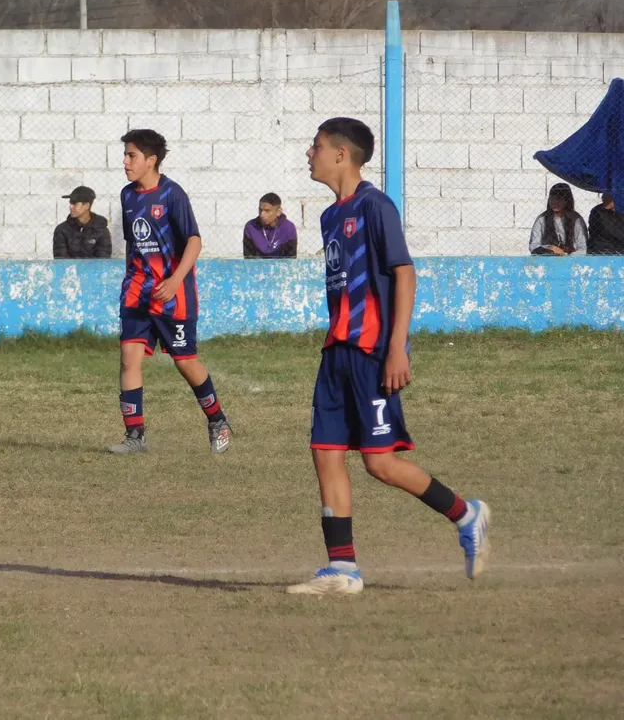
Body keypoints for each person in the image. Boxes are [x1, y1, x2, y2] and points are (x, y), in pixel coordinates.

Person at [285, 117, 490, 596]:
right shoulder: (330, 216)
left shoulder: (376, 206)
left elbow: (404, 273)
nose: (308, 154)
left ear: (341, 154)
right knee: (325, 452)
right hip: (335, 352)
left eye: (314, 146)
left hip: (372, 353)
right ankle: (343, 569)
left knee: (380, 463)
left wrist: (397, 347)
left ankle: (466, 514)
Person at [107, 129, 233, 455]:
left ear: (151, 160)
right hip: (137, 291)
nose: (125, 162)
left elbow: (194, 240)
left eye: (131, 155)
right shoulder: (127, 195)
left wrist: (176, 280)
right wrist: (129, 280)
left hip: (172, 294)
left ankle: (217, 419)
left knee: (185, 361)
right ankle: (135, 437)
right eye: (125, 155)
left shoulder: (172, 194)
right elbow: (133, 244)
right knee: (129, 357)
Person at [52, 186, 112, 259]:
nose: (71, 207)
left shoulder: (100, 229)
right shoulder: (62, 230)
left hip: (94, 269)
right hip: (70, 270)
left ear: (87, 206)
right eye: (70, 203)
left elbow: (103, 258)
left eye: (75, 204)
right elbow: (61, 259)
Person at [528, 183, 588, 256]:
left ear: (567, 200)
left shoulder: (576, 220)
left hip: (572, 260)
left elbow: (583, 248)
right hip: (548, 258)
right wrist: (550, 248)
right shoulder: (542, 219)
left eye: (559, 199)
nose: (554, 202)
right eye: (552, 198)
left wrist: (565, 255)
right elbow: (533, 245)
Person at [243, 193, 298, 258]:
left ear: (278, 212)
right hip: (257, 266)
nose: (262, 214)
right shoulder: (251, 227)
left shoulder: (288, 228)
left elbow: (290, 259)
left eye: (267, 211)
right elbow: (249, 258)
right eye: (260, 210)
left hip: (280, 266)